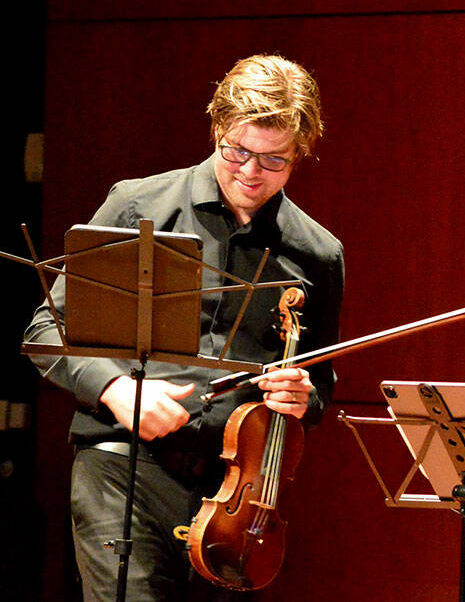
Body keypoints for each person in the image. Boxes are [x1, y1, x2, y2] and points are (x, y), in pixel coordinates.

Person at [25, 54, 344, 601]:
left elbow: (320, 386)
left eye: (273, 161)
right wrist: (116, 388)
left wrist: (302, 398)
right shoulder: (137, 206)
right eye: (238, 151)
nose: (249, 172)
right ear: (218, 128)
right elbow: (46, 331)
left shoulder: (317, 253)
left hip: (233, 496)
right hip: (121, 469)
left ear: (300, 154)